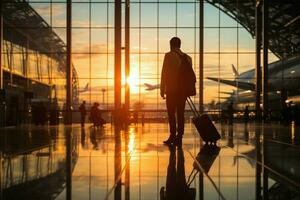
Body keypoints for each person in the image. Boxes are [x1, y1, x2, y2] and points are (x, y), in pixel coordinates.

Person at [160, 37, 195, 146]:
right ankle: (179, 137)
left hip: (171, 90)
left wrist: (162, 89)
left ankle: (172, 136)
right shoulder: (188, 58)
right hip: (183, 92)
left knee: (171, 114)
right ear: (180, 45)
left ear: (171, 45)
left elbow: (164, 74)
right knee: (180, 114)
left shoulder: (168, 55)